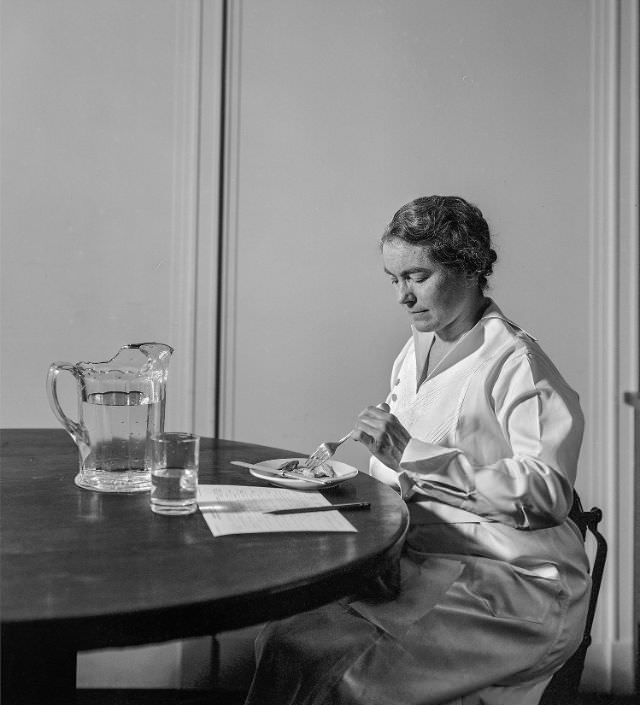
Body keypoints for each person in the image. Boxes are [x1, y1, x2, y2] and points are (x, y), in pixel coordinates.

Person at [243, 195, 591, 705]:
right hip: (424, 560)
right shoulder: (416, 348)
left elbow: (546, 494)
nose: (402, 296)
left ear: (468, 267)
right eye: (394, 278)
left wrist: (410, 452)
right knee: (283, 641)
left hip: (513, 580)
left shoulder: (517, 362)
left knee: (351, 682)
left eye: (417, 276)